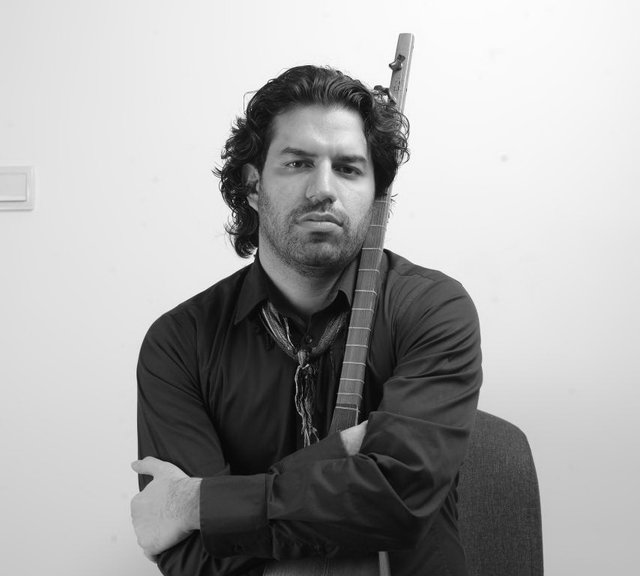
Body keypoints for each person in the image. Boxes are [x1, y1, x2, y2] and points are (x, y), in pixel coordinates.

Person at [131, 65, 482, 576]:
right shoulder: (179, 342)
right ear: (253, 186)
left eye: (349, 168)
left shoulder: (432, 310)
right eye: (298, 163)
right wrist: (345, 452)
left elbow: (398, 502)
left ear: (377, 194)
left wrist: (198, 503)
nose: (323, 189)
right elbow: (191, 556)